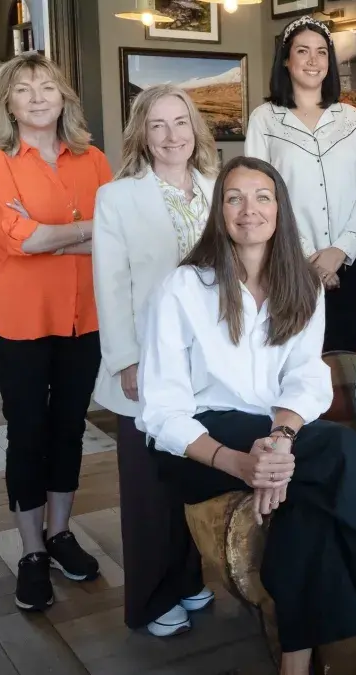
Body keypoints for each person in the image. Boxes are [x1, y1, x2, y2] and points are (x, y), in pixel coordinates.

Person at [139, 156, 356, 675]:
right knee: (336, 448)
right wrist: (241, 464)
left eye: (263, 197)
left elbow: (306, 377)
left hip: (271, 431)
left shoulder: (303, 285)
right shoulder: (183, 289)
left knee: (307, 504)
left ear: (280, 209)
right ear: (219, 211)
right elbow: (161, 411)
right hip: (195, 442)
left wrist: (282, 439)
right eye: (235, 197)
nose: (249, 210)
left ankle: (297, 663)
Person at [0, 52, 111, 612]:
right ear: (8, 101)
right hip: (19, 320)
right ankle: (31, 551)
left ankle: (59, 534)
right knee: (27, 432)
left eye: (47, 86)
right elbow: (22, 241)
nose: (37, 96)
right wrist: (87, 232)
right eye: (24, 88)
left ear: (64, 98)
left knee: (70, 429)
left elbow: (115, 237)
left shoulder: (95, 160)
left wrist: (55, 234)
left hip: (85, 317)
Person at [93, 84, 218, 636]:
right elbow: (111, 284)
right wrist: (125, 358)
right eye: (159, 125)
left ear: (197, 130)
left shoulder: (219, 191)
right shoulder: (117, 198)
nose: (172, 136)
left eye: (181, 123)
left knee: (193, 474)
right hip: (146, 358)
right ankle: (149, 597)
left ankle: (189, 578)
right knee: (148, 486)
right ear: (142, 135)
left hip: (209, 364)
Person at [245, 15, 356, 352]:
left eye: (321, 52)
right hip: (290, 260)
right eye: (303, 51)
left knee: (342, 359)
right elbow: (260, 196)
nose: (313, 61)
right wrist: (310, 259)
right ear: (287, 61)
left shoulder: (349, 118)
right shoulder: (265, 120)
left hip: (349, 260)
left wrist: (341, 250)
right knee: (296, 357)